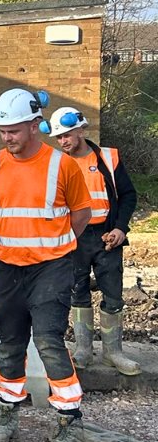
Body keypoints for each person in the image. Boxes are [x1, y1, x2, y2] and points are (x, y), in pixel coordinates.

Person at [0, 88, 92, 442]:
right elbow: (0, 210)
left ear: (33, 125)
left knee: (49, 341)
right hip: (8, 268)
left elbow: (82, 214)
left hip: (53, 267)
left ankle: (69, 423)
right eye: (2, 131)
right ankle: (7, 413)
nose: (7, 137)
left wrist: (56, 248)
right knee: (10, 341)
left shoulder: (63, 165)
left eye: (13, 129)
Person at [48, 106, 140, 375]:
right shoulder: (57, 163)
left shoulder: (108, 158)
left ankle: (113, 352)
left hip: (106, 235)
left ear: (81, 130)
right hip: (74, 236)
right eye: (58, 137)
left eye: (67, 135)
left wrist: (121, 228)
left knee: (113, 293)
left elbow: (128, 195)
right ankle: (83, 350)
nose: (63, 141)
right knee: (78, 291)